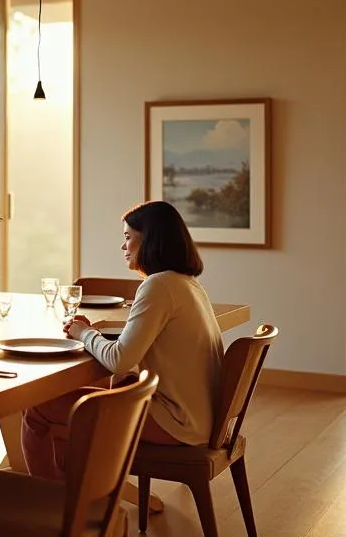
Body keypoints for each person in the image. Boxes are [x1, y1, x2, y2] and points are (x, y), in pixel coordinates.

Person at [21, 200, 224, 481]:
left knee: (39, 410)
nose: (123, 246)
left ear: (149, 240)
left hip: (178, 423)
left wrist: (84, 333)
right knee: (94, 392)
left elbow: (119, 360)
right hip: (200, 417)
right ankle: (76, 494)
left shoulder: (159, 285)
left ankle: (49, 505)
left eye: (128, 237)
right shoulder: (188, 283)